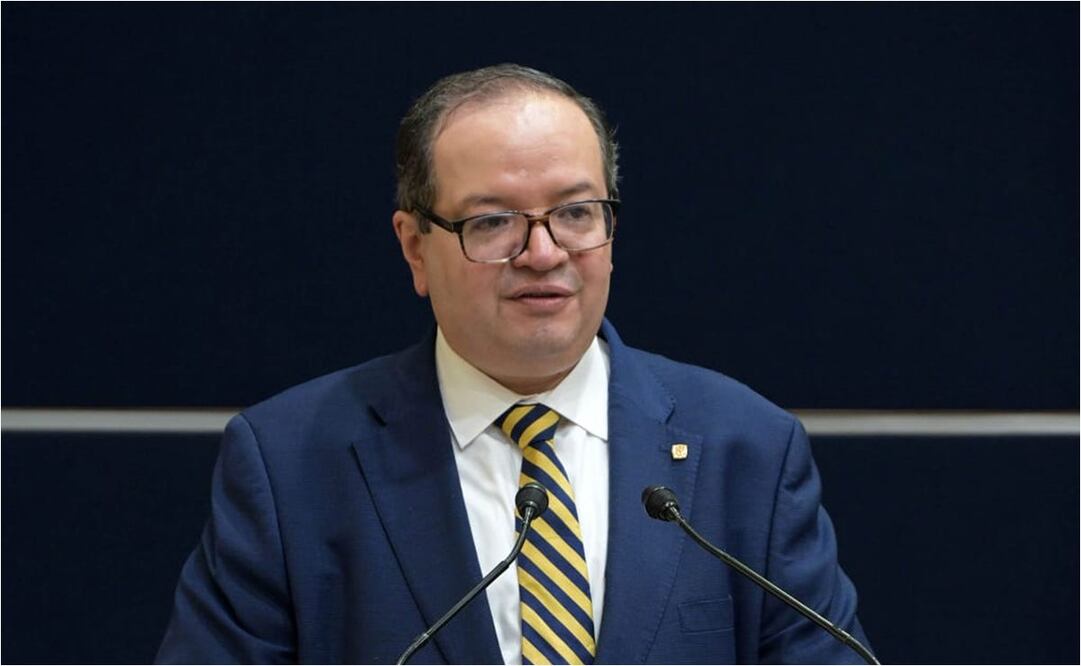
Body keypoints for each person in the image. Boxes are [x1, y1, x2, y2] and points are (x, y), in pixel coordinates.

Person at [157, 63, 872, 664]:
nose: (542, 252)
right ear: (414, 248)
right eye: (492, 221)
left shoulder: (744, 447)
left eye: (575, 212)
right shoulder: (291, 463)